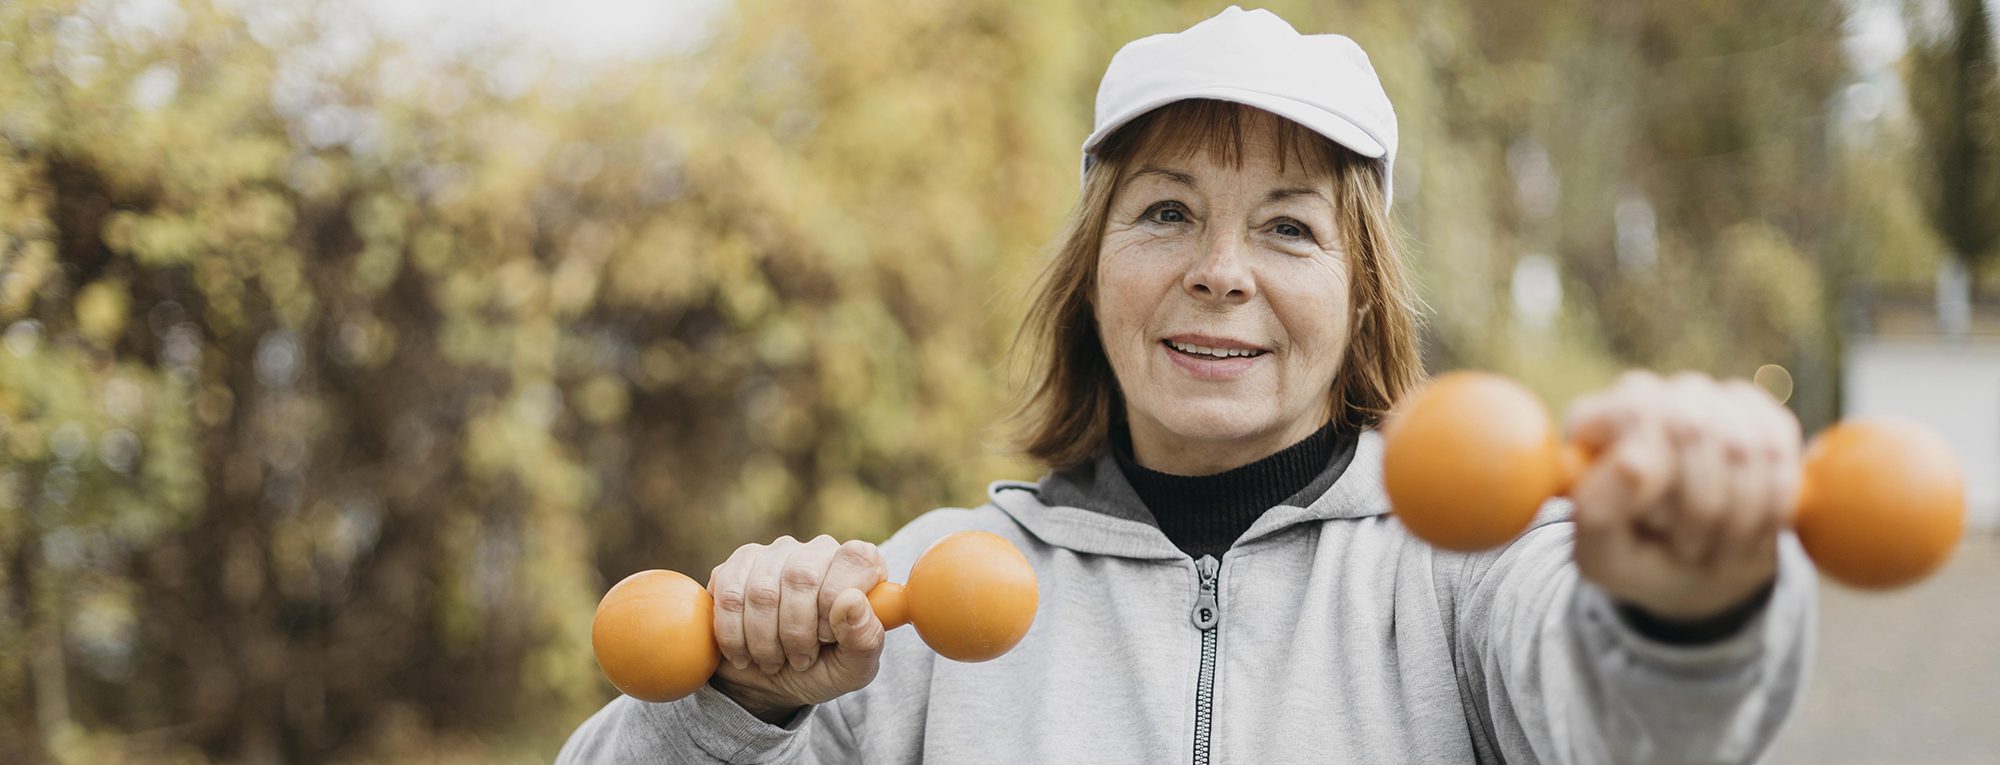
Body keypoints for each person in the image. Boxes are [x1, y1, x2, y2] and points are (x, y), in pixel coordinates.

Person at [558, 7, 1814, 763]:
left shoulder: (1469, 568)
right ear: (1091, 274)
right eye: (1165, 214)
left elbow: (1639, 728)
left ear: (1360, 292)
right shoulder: (917, 601)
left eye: (1285, 228)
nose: (1219, 273)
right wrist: (735, 709)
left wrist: (1685, 608)